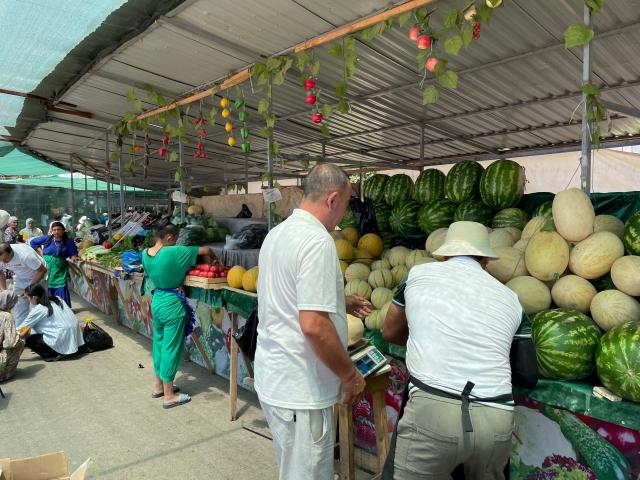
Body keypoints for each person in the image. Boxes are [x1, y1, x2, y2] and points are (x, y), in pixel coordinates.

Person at [381, 221, 538, 480]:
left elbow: (389, 332)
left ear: (444, 255)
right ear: (485, 261)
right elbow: (527, 374)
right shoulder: (511, 299)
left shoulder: (419, 275)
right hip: (496, 417)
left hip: (433, 413)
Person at [255, 163, 371, 480]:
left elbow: (284, 296)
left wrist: (336, 301)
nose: (344, 214)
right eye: (346, 204)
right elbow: (313, 326)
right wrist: (349, 375)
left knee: (291, 469)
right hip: (301, 391)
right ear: (332, 199)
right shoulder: (317, 242)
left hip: (276, 378)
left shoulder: (277, 234)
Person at [142, 223, 217, 409]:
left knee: (158, 345)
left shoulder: (145, 254)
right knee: (171, 349)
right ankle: (169, 396)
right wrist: (214, 260)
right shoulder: (173, 252)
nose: (176, 241)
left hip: (157, 300)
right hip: (172, 305)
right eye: (175, 238)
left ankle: (159, 386)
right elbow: (205, 250)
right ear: (169, 237)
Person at [18, 284, 84, 362]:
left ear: (34, 297)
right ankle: (65, 349)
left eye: (28, 298)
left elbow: (22, 328)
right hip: (75, 341)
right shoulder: (58, 299)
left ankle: (55, 354)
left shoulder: (39, 309)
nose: (28, 300)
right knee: (34, 328)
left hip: (61, 339)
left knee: (29, 339)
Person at [30, 222, 78, 308]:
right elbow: (33, 242)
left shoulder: (68, 241)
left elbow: (73, 253)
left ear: (63, 230)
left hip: (60, 269)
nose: (56, 232)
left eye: (59, 229)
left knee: (61, 286)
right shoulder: (47, 238)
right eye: (54, 230)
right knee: (48, 286)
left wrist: (74, 257)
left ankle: (64, 308)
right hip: (47, 267)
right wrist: (41, 252)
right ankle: (51, 308)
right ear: (52, 231)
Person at [0, 242, 47, 328]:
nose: (4, 262)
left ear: (11, 252)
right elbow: (0, 273)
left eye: (6, 260)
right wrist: (3, 290)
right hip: (20, 277)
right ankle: (21, 333)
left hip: (38, 276)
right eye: (2, 260)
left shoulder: (25, 255)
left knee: (38, 307)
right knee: (19, 308)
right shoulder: (2, 257)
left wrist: (29, 290)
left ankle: (40, 332)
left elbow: (42, 270)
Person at [0, 290, 25, 381]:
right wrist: (19, 336)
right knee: (20, 343)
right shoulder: (6, 316)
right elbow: (9, 344)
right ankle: (6, 374)